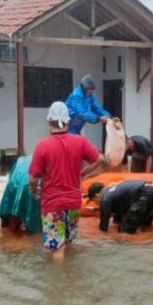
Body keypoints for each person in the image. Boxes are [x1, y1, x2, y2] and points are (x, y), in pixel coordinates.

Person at [29, 102, 105, 254]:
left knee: (56, 249)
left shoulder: (42, 146)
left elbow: (32, 179)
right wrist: (83, 173)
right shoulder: (80, 141)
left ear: (49, 122)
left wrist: (35, 190)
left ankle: (59, 278)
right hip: (74, 204)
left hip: (53, 204)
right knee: (69, 245)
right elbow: (100, 159)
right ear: (68, 121)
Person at [87, 180, 153, 233]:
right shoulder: (113, 190)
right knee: (145, 227)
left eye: (94, 201)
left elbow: (103, 228)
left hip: (145, 195)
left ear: (96, 195)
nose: (97, 204)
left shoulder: (105, 200)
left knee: (125, 231)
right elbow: (119, 217)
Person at [0, 155, 41, 234]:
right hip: (30, 184)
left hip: (14, 184)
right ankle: (28, 236)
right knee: (31, 219)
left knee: (14, 211)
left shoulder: (23, 159)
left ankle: (11, 235)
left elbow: (11, 176)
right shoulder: (49, 159)